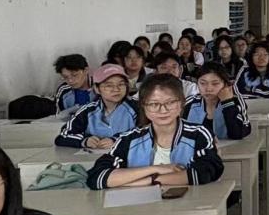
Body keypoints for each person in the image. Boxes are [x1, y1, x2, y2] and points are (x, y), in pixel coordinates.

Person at [86, 74, 224, 190]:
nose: (162, 110)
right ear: (143, 106)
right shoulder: (129, 139)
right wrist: (155, 169)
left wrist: (149, 181)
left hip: (190, 206)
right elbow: (97, 177)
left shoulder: (198, 134)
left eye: (170, 102)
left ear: (181, 103)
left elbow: (203, 173)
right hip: (139, 208)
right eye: (153, 104)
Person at [55, 64, 139, 149]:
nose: (116, 89)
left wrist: (116, 140)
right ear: (96, 88)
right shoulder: (88, 111)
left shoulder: (137, 107)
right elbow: (63, 136)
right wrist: (85, 141)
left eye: (121, 84)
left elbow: (144, 132)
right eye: (109, 85)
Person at [184, 64, 252, 141]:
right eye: (202, 83)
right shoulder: (190, 103)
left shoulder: (236, 101)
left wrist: (227, 103)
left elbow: (239, 133)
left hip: (229, 148)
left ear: (225, 84)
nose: (208, 89)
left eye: (215, 84)